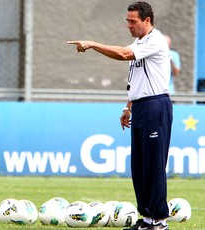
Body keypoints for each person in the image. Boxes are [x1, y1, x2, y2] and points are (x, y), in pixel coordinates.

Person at [68, 1, 172, 230]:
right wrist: (128, 107)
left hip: (156, 105)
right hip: (141, 106)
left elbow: (124, 54)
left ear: (147, 20)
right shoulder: (139, 42)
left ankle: (160, 222)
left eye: (133, 21)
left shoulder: (155, 40)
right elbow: (136, 81)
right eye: (127, 21)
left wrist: (93, 44)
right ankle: (146, 220)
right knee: (140, 165)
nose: (129, 25)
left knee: (154, 164)